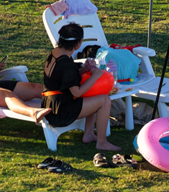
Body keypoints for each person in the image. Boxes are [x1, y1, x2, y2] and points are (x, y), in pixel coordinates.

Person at [42, 23, 120, 151]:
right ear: (78, 44)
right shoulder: (66, 62)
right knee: (104, 100)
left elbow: (63, 78)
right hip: (60, 111)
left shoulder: (55, 53)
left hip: (52, 104)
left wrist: (84, 69)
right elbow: (76, 93)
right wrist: (95, 75)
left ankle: (89, 134)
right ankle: (102, 142)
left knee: (94, 95)